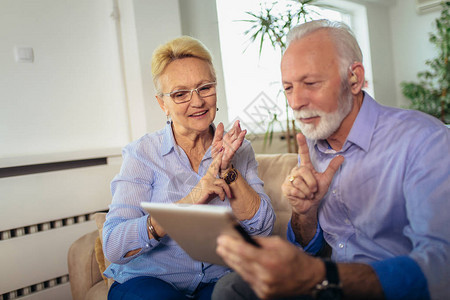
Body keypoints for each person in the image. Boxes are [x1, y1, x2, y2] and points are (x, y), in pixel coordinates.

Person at [212, 20, 450, 300]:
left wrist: (324, 276)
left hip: (388, 290)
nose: (296, 101)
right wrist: (305, 211)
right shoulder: (312, 143)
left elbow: (442, 267)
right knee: (231, 287)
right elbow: (305, 247)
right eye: (288, 88)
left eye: (310, 83)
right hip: (327, 285)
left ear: (354, 79)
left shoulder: (424, 140)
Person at [102, 36, 275, 300]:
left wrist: (228, 170)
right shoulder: (142, 154)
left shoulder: (238, 148)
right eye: (180, 94)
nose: (197, 102)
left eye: (205, 88)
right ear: (163, 104)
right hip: (150, 278)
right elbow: (113, 245)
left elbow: (263, 229)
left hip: (218, 279)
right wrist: (186, 204)